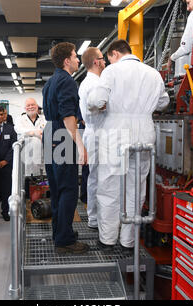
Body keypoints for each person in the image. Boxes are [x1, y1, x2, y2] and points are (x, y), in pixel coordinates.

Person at [87, 39, 170, 252]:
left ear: (114, 53)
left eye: (108, 58)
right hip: (144, 131)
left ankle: (107, 239)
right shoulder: (152, 73)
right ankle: (128, 241)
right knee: (136, 188)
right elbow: (164, 102)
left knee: (109, 187)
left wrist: (99, 105)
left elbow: (96, 100)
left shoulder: (112, 72)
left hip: (116, 132)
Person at [42, 42, 89, 254]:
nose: (79, 60)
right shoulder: (67, 81)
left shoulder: (50, 82)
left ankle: (59, 232)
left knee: (57, 190)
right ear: (66, 61)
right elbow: (68, 115)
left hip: (50, 133)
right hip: (62, 135)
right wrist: (80, 145)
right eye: (75, 56)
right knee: (69, 189)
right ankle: (65, 240)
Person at [78, 47, 106, 230]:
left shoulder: (87, 82)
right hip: (98, 133)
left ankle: (94, 217)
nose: (105, 62)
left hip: (94, 132)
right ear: (96, 61)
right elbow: (99, 107)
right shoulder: (95, 83)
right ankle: (95, 218)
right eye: (103, 58)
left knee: (95, 177)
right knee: (98, 178)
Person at [15, 97, 47, 177]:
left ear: (37, 106)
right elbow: (20, 130)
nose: (30, 107)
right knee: (27, 181)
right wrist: (35, 133)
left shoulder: (44, 119)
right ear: (25, 108)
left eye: (33, 105)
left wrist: (30, 133)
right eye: (28, 105)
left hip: (43, 155)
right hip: (26, 157)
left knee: (42, 181)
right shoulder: (20, 119)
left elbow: (47, 132)